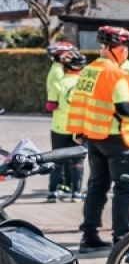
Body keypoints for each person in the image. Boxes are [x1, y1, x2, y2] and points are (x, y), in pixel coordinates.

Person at [66, 26, 129, 251]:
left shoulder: (89, 70)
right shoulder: (116, 74)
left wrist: (80, 132)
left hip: (94, 136)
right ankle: (122, 239)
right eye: (126, 48)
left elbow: (82, 103)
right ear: (116, 49)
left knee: (97, 186)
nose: (127, 53)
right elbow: (125, 109)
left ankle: (89, 236)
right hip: (117, 139)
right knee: (124, 187)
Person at [46, 49, 86, 202]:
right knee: (78, 161)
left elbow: (51, 106)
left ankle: (52, 192)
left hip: (59, 127)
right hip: (78, 127)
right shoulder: (84, 84)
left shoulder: (59, 83)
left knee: (57, 160)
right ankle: (76, 192)